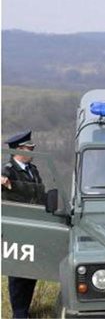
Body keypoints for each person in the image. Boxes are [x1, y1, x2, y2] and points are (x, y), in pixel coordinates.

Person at [1, 130, 46, 319]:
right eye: (30, 148)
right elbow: (4, 178)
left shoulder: (32, 170)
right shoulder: (8, 169)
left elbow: (39, 193)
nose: (32, 150)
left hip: (34, 223)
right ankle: (19, 313)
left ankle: (25, 309)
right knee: (19, 270)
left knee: (32, 268)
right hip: (18, 227)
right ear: (19, 149)